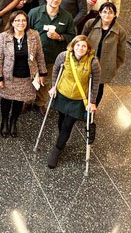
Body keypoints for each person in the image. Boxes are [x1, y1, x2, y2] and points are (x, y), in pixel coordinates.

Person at [47, 35, 100, 169]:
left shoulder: (93, 62)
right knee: (61, 119)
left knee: (67, 125)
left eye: (83, 46)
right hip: (62, 94)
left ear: (88, 49)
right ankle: (62, 140)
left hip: (78, 100)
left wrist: (92, 102)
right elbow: (55, 70)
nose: (80, 48)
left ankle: (57, 150)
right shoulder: (64, 56)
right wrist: (53, 86)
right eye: (78, 45)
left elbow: (95, 83)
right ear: (73, 45)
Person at [0, 11, 47, 137]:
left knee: (19, 101)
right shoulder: (4, 36)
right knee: (6, 100)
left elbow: (40, 55)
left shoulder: (34, 35)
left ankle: (13, 122)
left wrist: (42, 73)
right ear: (12, 22)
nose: (21, 23)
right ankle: (5, 122)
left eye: (23, 20)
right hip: (9, 76)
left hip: (27, 76)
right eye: (17, 20)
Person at [28, 0, 76, 113]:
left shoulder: (67, 17)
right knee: (29, 79)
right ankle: (26, 101)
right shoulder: (34, 13)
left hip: (52, 56)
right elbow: (25, 32)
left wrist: (59, 37)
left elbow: (72, 36)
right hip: (33, 55)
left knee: (46, 81)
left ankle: (40, 103)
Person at [82, 2, 127, 105]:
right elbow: (81, 40)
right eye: (104, 12)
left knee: (98, 88)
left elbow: (121, 53)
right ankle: (80, 107)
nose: (107, 15)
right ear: (100, 13)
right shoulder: (90, 23)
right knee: (84, 84)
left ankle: (91, 111)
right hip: (87, 61)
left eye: (110, 12)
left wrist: (113, 66)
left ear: (115, 14)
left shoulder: (120, 31)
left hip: (104, 66)